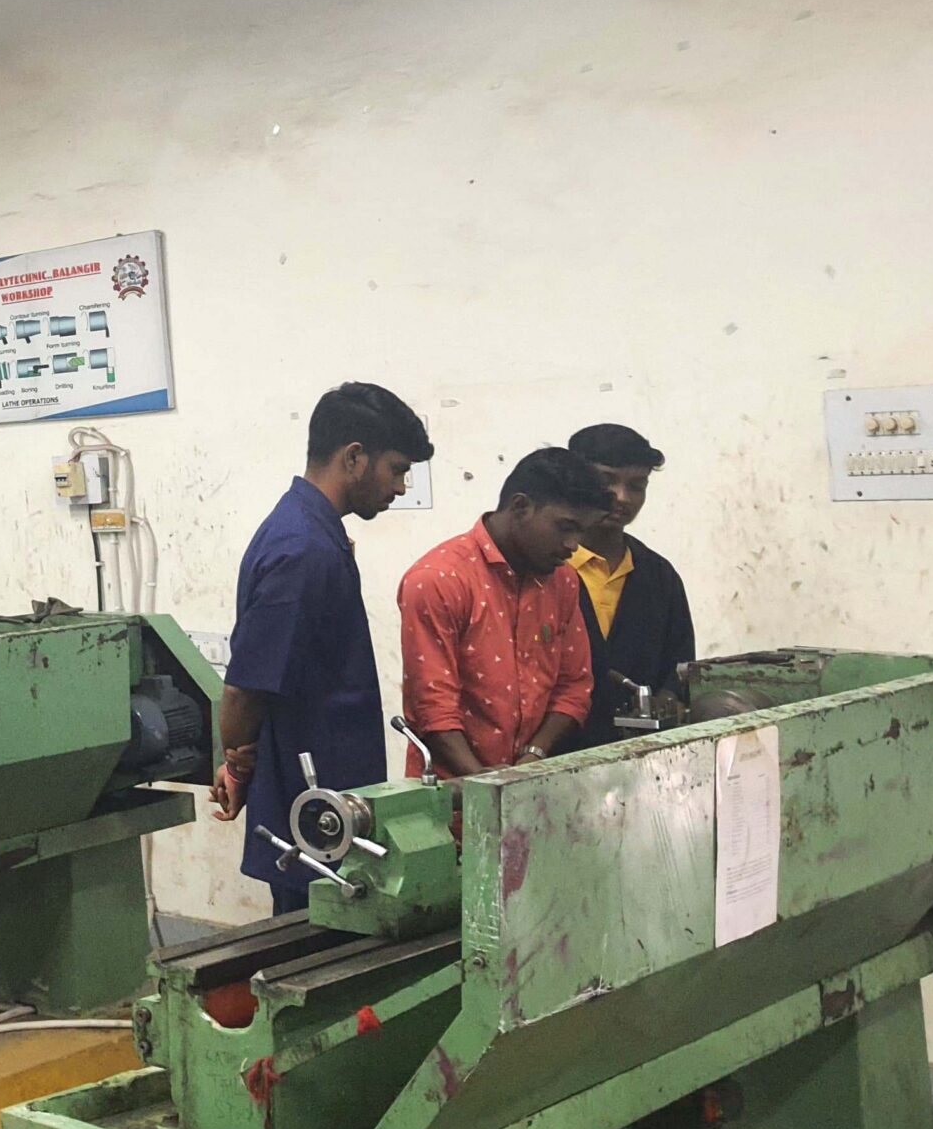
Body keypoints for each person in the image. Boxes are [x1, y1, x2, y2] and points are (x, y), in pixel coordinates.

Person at [213, 383, 434, 916]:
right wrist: (238, 766)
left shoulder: (314, 533)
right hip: (311, 815)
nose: (400, 487)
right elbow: (244, 689)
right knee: (312, 941)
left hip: (330, 801)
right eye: (396, 469)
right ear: (353, 458)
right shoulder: (303, 549)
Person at [399, 448, 611, 776]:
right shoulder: (439, 579)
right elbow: (433, 707)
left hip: (532, 784)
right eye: (565, 527)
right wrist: (484, 782)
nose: (573, 545)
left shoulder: (563, 581)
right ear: (520, 507)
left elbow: (574, 686)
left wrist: (533, 757)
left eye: (581, 532)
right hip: (448, 793)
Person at [563, 423, 697, 748]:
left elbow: (680, 667)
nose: (622, 497)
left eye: (636, 486)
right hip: (549, 755)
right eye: (606, 481)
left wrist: (668, 698)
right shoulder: (545, 569)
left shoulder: (658, 576)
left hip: (638, 753)